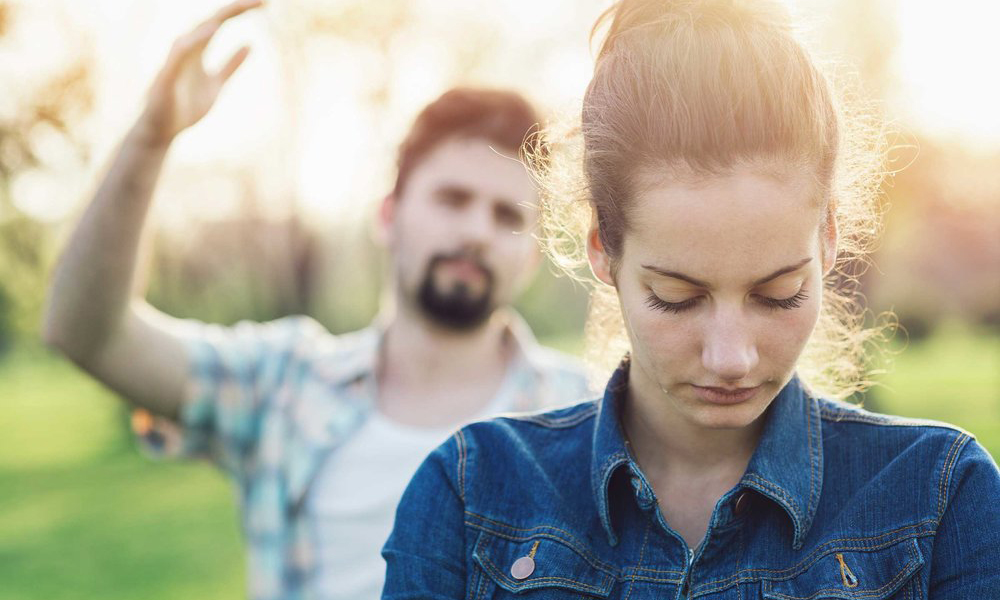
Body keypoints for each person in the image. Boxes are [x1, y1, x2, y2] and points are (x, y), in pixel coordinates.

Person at [381, 0, 1000, 598]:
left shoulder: (943, 495)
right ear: (602, 247)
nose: (731, 357)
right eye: (676, 298)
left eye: (779, 294)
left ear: (830, 237)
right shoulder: (470, 493)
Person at [41, 1, 590, 599]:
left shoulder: (586, 420)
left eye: (506, 215)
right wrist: (150, 139)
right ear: (388, 214)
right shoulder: (283, 384)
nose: (477, 230)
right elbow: (89, 333)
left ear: (533, 257)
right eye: (452, 199)